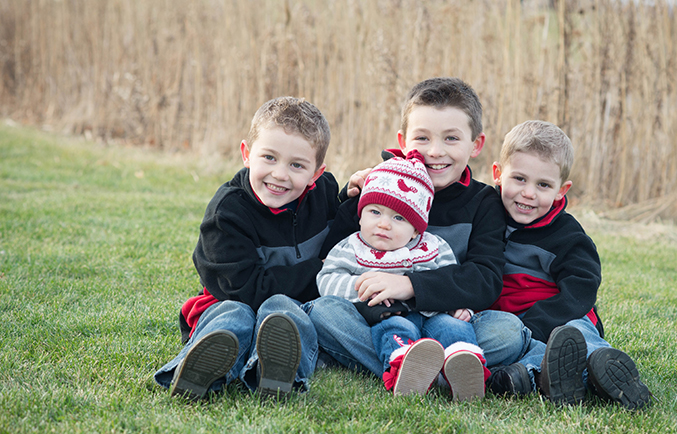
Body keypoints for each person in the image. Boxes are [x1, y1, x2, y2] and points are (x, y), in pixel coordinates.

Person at [308, 77, 525, 386]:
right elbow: (334, 251)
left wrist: (408, 285)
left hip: (449, 320)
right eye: (422, 138)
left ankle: (411, 365)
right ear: (403, 139)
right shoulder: (383, 184)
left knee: (507, 331)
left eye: (451, 139)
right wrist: (349, 198)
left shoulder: (483, 202)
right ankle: (428, 369)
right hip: (382, 318)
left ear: (476, 144)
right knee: (323, 311)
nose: (435, 151)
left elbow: (485, 279)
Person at [154, 96, 341, 400]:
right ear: (246, 153)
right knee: (235, 316)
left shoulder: (326, 193)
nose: (280, 174)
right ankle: (196, 369)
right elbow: (245, 288)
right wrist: (319, 271)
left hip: (288, 313)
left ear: (316, 174)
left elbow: (348, 239)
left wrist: (361, 195)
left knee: (285, 313)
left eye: (297, 165)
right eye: (269, 157)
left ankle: (277, 373)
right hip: (232, 300)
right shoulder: (227, 213)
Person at [486, 120, 652, 410]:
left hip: (562, 313)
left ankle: (607, 369)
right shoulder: (486, 217)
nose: (528, 193)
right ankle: (541, 377)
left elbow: (581, 287)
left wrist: (541, 321)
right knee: (531, 346)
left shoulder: (567, 234)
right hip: (515, 322)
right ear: (498, 174)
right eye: (519, 179)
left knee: (575, 335)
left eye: (543, 185)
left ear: (562, 190)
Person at [317, 150, 489, 401]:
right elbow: (327, 278)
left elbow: (453, 279)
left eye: (398, 217)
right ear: (361, 214)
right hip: (388, 313)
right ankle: (406, 367)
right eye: (374, 212)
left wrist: (462, 307)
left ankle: (463, 366)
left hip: (434, 313)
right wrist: (360, 285)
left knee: (453, 327)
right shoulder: (351, 246)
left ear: (415, 229)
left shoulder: (433, 246)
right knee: (395, 328)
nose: (384, 224)